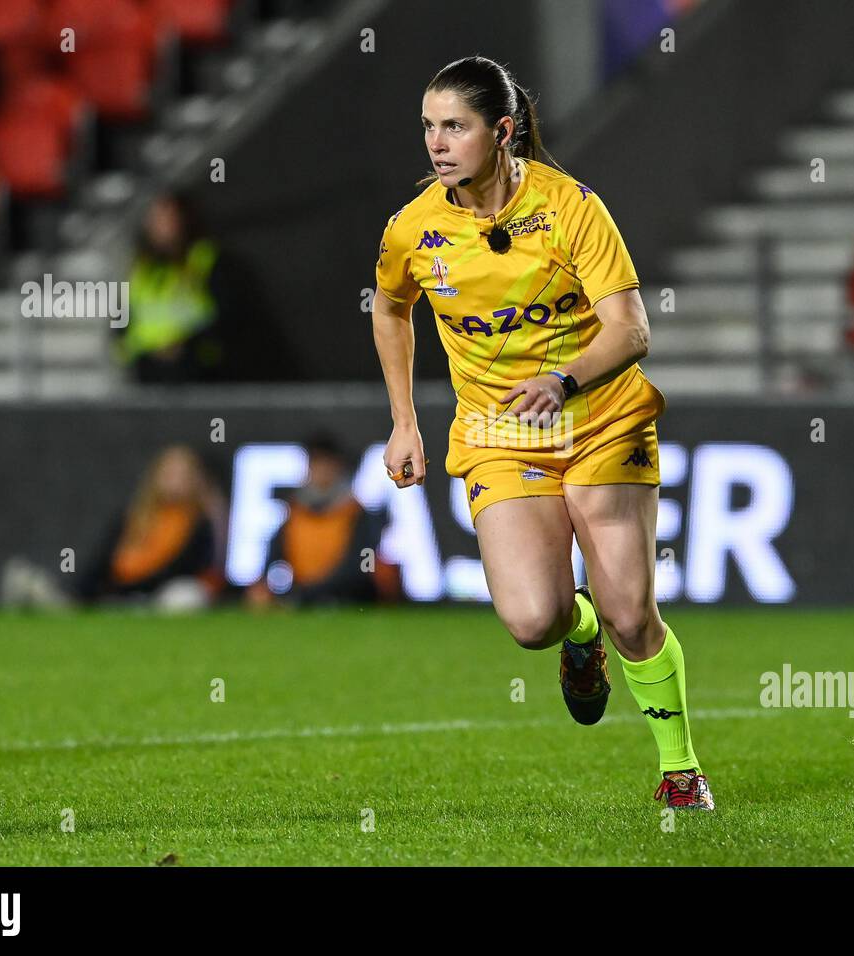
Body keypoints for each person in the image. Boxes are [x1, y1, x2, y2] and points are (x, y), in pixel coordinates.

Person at [371, 56, 711, 810]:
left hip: (600, 418)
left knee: (634, 614)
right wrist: (404, 422)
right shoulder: (415, 228)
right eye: (429, 127)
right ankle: (576, 632)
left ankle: (680, 769)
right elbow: (390, 306)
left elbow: (631, 330)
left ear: (503, 129)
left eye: (454, 126)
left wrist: (562, 380)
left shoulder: (571, 208)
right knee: (534, 622)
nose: (437, 142)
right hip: (498, 432)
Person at [1, 445, 227, 610]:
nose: (174, 482)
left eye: (182, 475)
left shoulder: (200, 522)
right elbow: (103, 560)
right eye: (169, 474)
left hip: (157, 598)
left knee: (185, 596)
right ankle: (51, 598)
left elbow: (186, 568)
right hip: (118, 595)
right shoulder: (134, 516)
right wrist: (82, 593)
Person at [246, 433, 400, 608]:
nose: (321, 471)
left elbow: (356, 569)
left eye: (327, 464)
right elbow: (275, 553)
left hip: (345, 597)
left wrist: (306, 594)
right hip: (304, 594)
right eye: (316, 463)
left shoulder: (353, 512)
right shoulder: (296, 511)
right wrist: (262, 584)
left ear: (338, 467)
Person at [116, 193, 226, 384]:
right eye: (154, 218)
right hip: (148, 371)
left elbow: (224, 315)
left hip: (196, 368)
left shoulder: (204, 259)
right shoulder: (141, 268)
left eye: (167, 217)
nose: (159, 226)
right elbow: (121, 320)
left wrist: (185, 345)